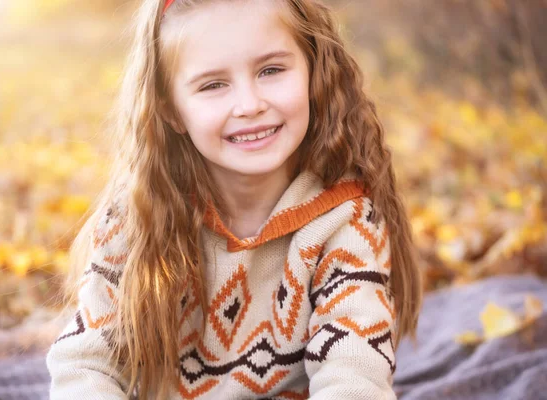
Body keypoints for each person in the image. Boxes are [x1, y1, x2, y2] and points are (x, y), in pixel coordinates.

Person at [46, 0, 422, 398]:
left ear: (313, 71)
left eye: (271, 70)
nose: (250, 105)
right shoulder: (139, 215)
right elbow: (85, 363)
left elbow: (354, 373)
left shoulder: (345, 220)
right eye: (213, 85)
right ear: (170, 108)